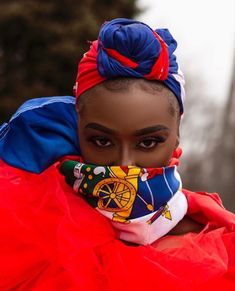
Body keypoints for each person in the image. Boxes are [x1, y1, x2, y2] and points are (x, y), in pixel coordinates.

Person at [0, 18, 234, 290]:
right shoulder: (29, 224)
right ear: (77, 132)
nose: (125, 164)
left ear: (177, 135)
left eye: (148, 143)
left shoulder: (218, 250)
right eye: (101, 141)